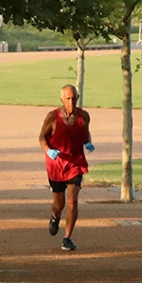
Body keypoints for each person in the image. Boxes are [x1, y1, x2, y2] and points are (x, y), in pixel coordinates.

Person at [39, 85, 94, 251]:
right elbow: (42, 137)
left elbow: (86, 132)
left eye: (74, 98)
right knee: (59, 204)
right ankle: (55, 215)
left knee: (73, 201)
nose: (71, 101)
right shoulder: (52, 117)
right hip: (56, 165)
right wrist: (49, 151)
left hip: (76, 163)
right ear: (62, 99)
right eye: (68, 98)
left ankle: (67, 238)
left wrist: (88, 142)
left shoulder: (84, 116)